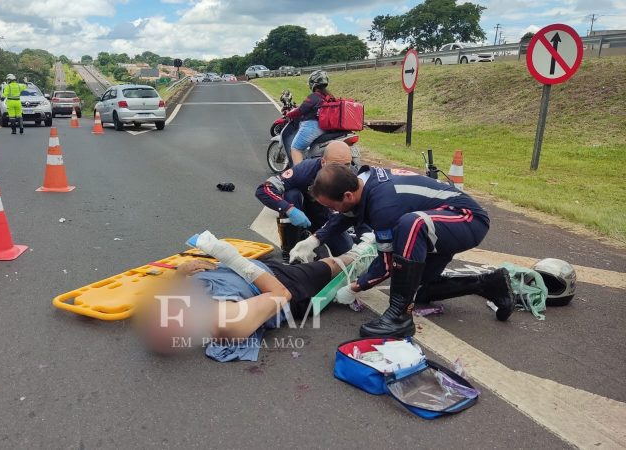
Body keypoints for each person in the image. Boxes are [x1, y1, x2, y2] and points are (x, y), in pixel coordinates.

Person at [293, 164, 514, 338]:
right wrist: (315, 239)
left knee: (411, 225)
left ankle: (400, 318)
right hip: (441, 219)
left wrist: (356, 287)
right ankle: (490, 284)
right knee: (420, 288)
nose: (332, 211)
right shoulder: (362, 184)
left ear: (348, 195)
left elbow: (386, 262)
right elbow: (345, 215)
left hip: (467, 218)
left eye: (332, 206)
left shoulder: (383, 204)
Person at [136, 231, 373, 361]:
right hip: (283, 283)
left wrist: (180, 273)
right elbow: (281, 294)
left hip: (246, 273)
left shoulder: (176, 309)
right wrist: (231, 258)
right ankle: (366, 251)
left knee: (316, 262)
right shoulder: (226, 322)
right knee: (332, 266)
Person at [256, 141, 355, 262]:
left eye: (347, 165)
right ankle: (291, 247)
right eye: (335, 165)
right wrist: (289, 209)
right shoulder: (305, 170)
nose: (342, 171)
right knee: (291, 194)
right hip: (303, 212)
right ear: (323, 162)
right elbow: (264, 189)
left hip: (328, 219)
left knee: (348, 254)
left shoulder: (353, 176)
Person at [284, 70, 331, 166]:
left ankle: (299, 175)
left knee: (296, 148)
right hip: (325, 128)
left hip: (312, 127)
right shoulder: (328, 96)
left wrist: (288, 114)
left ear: (313, 83)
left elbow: (300, 110)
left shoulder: (313, 96)